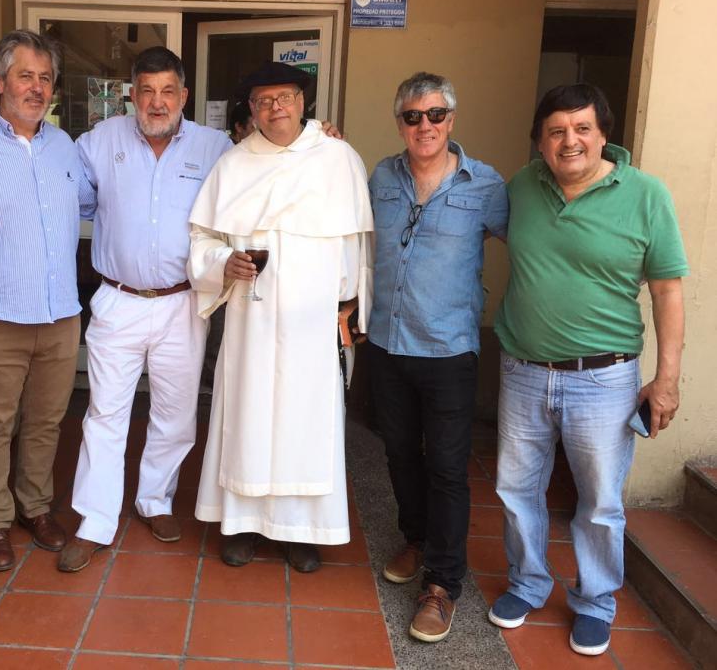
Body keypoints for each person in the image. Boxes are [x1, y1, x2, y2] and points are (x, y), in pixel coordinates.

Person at [489, 84, 687, 656]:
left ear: (604, 136)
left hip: (604, 378)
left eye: (581, 128)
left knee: (599, 501)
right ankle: (528, 583)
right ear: (540, 142)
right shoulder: (522, 186)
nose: (569, 141)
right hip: (524, 369)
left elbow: (667, 291)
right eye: (556, 131)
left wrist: (666, 379)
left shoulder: (646, 194)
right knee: (516, 488)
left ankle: (596, 602)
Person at [188, 61, 373, 574]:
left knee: (305, 426)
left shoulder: (337, 158)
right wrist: (222, 263)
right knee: (246, 419)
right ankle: (243, 525)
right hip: (252, 321)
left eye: (285, 97)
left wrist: (351, 305)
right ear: (251, 109)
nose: (276, 108)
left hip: (313, 326)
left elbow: (357, 244)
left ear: (302, 101)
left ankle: (300, 533)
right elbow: (203, 238)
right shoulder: (233, 164)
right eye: (264, 101)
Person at [59, 47, 233, 572]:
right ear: (131, 95)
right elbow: (52, 177)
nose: (158, 102)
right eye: (147, 91)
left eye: (168, 92)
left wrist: (319, 138)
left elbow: (266, 172)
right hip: (118, 300)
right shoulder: (97, 142)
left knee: (176, 414)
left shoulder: (215, 147)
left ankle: (155, 500)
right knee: (104, 414)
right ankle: (95, 521)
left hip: (183, 301)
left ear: (184, 95)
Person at [0, 30, 96, 572]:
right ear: (0, 81)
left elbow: (91, 205)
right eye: (25, 76)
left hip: (59, 314)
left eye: (45, 78)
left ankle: (35, 507)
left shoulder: (65, 147)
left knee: (47, 421)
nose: (36, 87)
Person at [365, 72, 508, 641]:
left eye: (435, 114)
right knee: (400, 453)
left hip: (448, 350)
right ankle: (417, 540)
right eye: (412, 116)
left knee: (447, 467)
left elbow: (535, 242)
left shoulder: (486, 186)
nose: (424, 125)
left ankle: (443, 584)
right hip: (386, 343)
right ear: (399, 122)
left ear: (451, 118)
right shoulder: (380, 177)